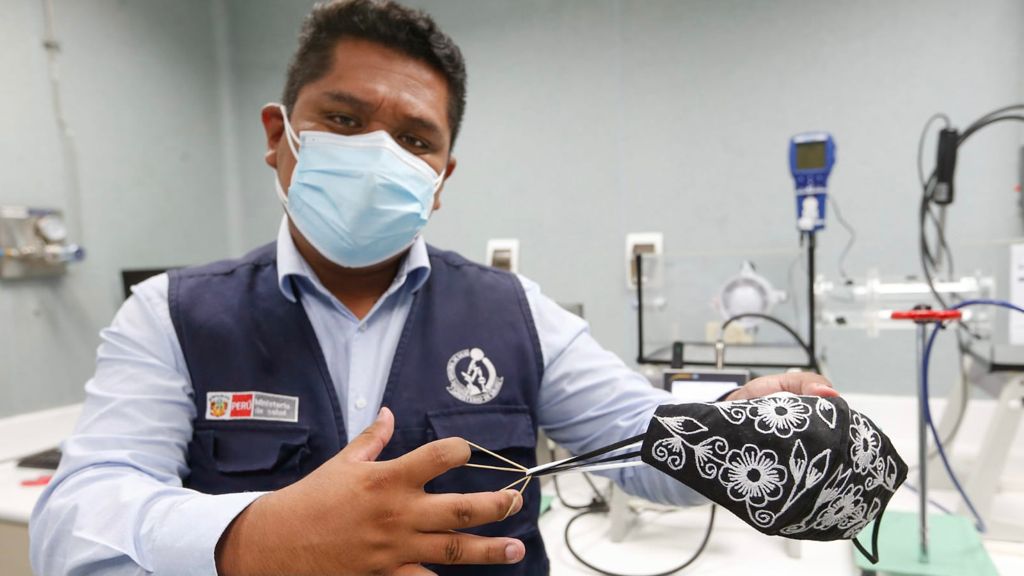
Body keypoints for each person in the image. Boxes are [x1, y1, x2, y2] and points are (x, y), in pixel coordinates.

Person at [29, 1, 838, 574]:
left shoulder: (516, 314)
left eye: (415, 138)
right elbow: (73, 526)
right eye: (345, 121)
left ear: (440, 178)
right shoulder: (172, 317)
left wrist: (731, 433)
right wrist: (252, 540)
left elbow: (637, 446)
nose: (380, 152)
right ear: (281, 137)